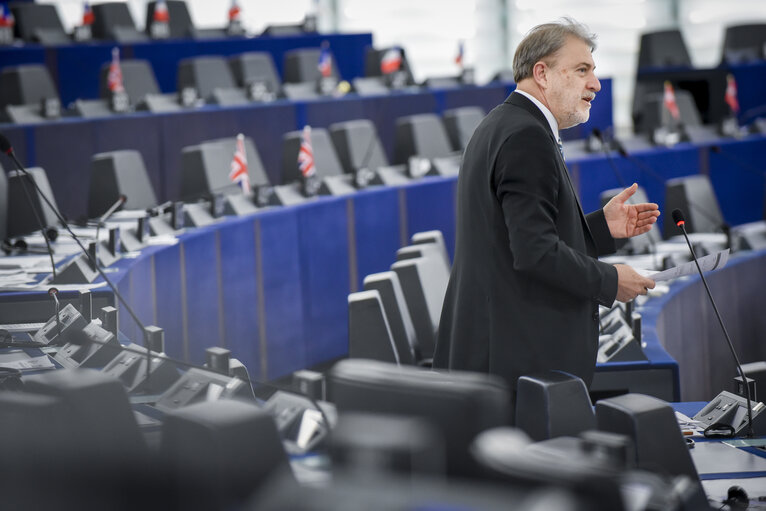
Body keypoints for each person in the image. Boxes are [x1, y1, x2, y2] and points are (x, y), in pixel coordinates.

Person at [432, 18, 658, 417]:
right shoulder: (526, 137)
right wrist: (610, 280)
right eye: (582, 70)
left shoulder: (505, 124)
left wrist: (600, 229)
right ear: (542, 73)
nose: (596, 84)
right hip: (514, 363)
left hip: (499, 350)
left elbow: (512, 238)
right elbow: (534, 252)